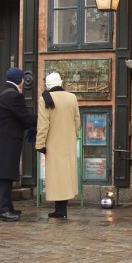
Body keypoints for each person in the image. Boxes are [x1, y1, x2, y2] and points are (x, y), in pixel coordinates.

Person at [0, 67, 37, 222]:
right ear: (19, 80)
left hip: (1, 139)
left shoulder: (1, 91)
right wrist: (43, 118)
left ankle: (7, 206)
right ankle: (2, 210)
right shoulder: (14, 96)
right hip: (8, 141)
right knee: (4, 175)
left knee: (5, 175)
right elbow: (25, 118)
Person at [36, 72, 80, 219]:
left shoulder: (45, 99)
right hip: (68, 142)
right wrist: (75, 136)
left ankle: (59, 209)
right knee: (66, 176)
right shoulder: (72, 97)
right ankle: (62, 209)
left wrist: (40, 143)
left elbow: (43, 124)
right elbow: (77, 120)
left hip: (53, 142)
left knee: (56, 176)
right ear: (60, 83)